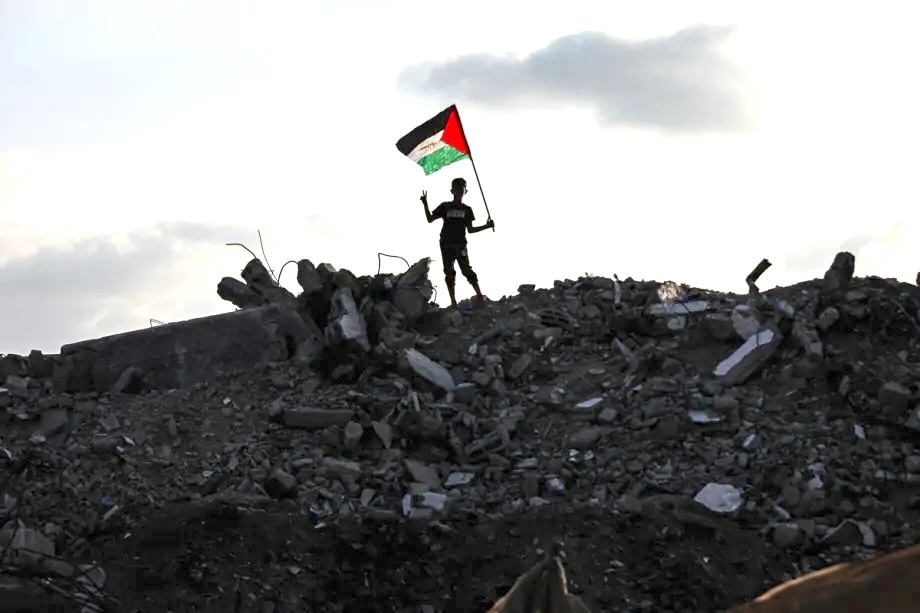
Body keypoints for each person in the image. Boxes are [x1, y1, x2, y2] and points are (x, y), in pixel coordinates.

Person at [420, 177, 495, 308]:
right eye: (457, 188)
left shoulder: (467, 210)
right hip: (446, 244)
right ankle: (453, 302)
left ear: (466, 191)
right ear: (452, 190)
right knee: (449, 272)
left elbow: (470, 230)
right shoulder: (445, 206)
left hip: (461, 244)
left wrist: (486, 226)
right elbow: (430, 219)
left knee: (467, 269)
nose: (460, 190)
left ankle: (479, 295)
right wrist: (425, 204)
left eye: (462, 188)